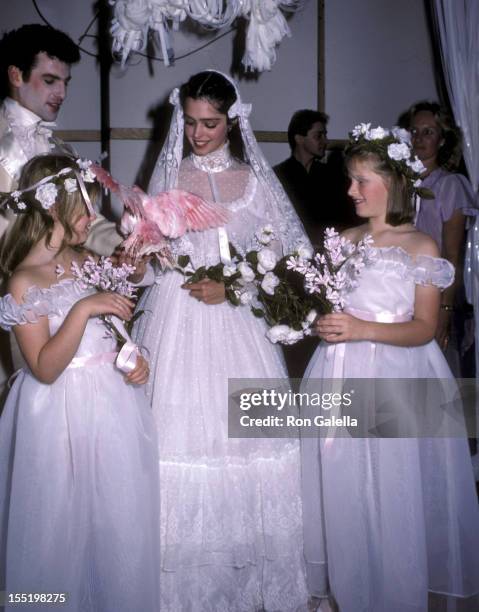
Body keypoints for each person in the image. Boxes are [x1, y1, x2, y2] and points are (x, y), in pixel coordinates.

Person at [133, 70, 309, 610]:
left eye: (209, 123)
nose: (198, 133)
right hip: (178, 320)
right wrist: (145, 250)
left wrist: (235, 287)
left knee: (247, 440)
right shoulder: (170, 176)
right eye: (189, 123)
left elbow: (285, 261)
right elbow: (142, 263)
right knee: (181, 434)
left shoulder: (255, 184)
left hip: (239, 326)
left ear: (232, 120)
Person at [301, 125, 479, 611]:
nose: (351, 190)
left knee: (393, 487)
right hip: (339, 371)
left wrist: (360, 330)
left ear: (392, 183)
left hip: (396, 375)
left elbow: (423, 327)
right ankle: (349, 586)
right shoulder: (344, 240)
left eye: (361, 181)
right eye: (350, 180)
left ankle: (395, 590)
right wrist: (326, 323)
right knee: (343, 484)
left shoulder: (420, 247)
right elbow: (337, 304)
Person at [0, 154, 159, 611]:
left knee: (115, 519)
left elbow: (111, 333)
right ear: (53, 208)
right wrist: (84, 308)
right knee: (57, 526)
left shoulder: (88, 260)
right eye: (84, 207)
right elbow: (45, 367)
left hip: (110, 410)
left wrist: (132, 360)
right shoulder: (23, 282)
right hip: (57, 416)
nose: (93, 218)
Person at [0, 24, 122, 398]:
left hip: (55, 296)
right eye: (51, 80)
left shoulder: (60, 147)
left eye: (66, 82)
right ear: (16, 75)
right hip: (16, 295)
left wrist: (125, 246)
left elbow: (85, 219)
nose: (62, 93)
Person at [405, 101, 475, 372]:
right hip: (399, 289)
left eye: (428, 132)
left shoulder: (450, 185)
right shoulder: (400, 183)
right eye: (414, 131)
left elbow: (452, 255)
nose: (419, 139)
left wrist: (445, 311)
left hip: (434, 292)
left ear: (442, 139)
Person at [274, 109, 355, 246]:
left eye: (325, 135)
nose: (325, 141)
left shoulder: (333, 175)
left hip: (331, 251)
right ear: (299, 138)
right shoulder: (278, 175)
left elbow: (346, 218)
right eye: (318, 136)